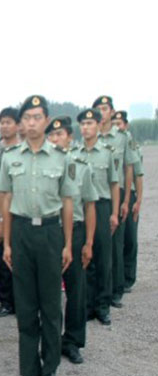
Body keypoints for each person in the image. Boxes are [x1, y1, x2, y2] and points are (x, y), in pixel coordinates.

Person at [0, 95, 76, 376]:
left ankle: (50, 370)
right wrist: (7, 243)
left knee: (51, 306)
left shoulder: (61, 157)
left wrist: (68, 244)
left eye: (37, 117)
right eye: (27, 118)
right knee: (26, 305)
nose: (31, 123)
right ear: (22, 123)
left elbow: (67, 202)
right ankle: (29, 370)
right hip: (21, 232)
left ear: (46, 121)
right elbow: (5, 199)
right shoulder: (10, 157)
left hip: (50, 233)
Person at [47, 116, 97, 365]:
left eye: (60, 134)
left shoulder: (81, 167)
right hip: (50, 231)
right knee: (50, 291)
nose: (55, 139)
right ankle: (52, 340)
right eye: (52, 135)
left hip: (75, 233)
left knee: (76, 289)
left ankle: (73, 341)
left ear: (70, 137)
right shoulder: (43, 166)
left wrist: (88, 242)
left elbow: (89, 206)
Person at [93, 96, 139, 310]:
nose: (101, 113)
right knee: (98, 243)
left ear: (111, 112)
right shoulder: (91, 137)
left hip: (117, 193)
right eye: (98, 109)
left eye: (104, 109)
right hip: (97, 194)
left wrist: (126, 200)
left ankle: (116, 290)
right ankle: (99, 288)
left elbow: (129, 169)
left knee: (116, 244)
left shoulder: (122, 137)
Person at [74, 108, 119, 326]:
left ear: (98, 126)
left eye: (90, 123)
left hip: (101, 207)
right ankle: (88, 305)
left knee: (103, 257)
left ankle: (102, 306)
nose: (85, 128)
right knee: (85, 256)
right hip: (81, 208)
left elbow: (114, 184)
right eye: (83, 124)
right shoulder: (74, 153)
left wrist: (114, 213)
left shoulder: (107, 152)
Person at [112, 111, 143, 293]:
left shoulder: (131, 144)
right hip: (115, 194)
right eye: (114, 123)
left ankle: (128, 278)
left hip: (128, 194)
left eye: (120, 123)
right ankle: (118, 277)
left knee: (130, 238)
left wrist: (138, 200)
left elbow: (138, 174)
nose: (117, 127)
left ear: (126, 125)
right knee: (118, 239)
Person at [0, 107, 21, 318]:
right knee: (2, 258)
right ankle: (5, 301)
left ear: (18, 125)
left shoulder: (23, 150)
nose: (4, 126)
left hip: (19, 210)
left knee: (19, 257)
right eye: (2, 122)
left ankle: (20, 299)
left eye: (8, 122)